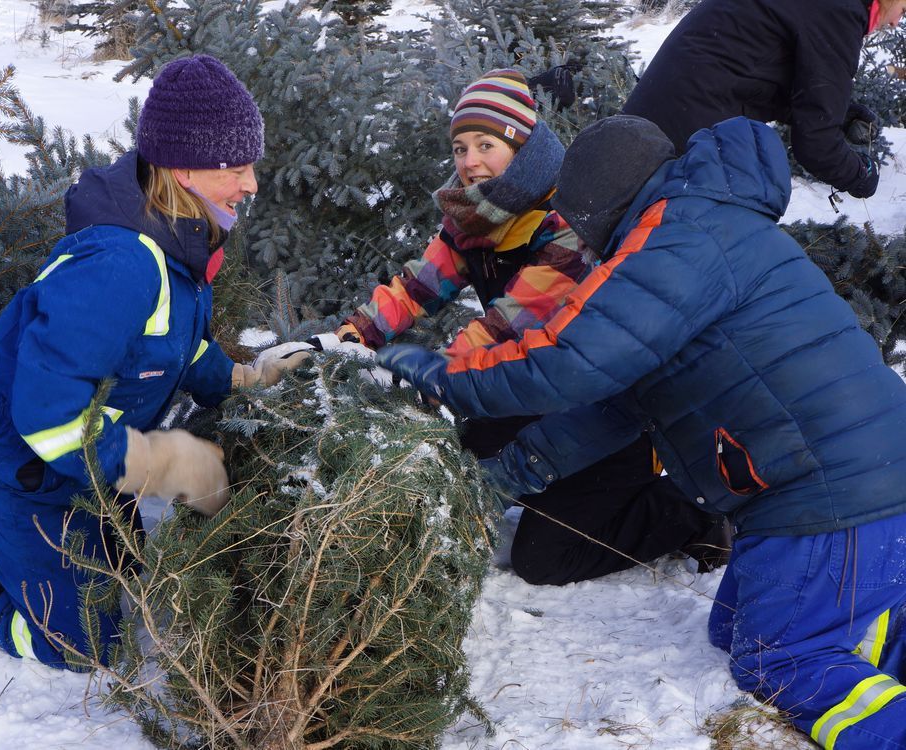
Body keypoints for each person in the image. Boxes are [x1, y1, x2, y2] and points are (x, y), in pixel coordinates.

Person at [376, 114, 906, 748]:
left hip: (832, 496)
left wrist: (435, 374)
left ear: (603, 204)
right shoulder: (696, 228)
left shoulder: (674, 243)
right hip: (860, 481)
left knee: (780, 660)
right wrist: (500, 478)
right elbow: (616, 407)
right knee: (733, 629)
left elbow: (566, 364)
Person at [258, 69, 728, 585]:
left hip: (600, 415)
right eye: (460, 148)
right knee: (452, 446)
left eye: (486, 145)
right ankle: (543, 488)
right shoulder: (476, 217)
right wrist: (345, 338)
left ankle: (691, 512)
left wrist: (415, 378)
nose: (469, 161)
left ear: (522, 149)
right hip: (535, 390)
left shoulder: (566, 223)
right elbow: (417, 288)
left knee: (543, 560)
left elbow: (506, 328)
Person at [0, 55, 308, 670]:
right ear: (183, 169)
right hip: (17, 462)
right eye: (235, 169)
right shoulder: (119, 267)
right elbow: (48, 414)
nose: (251, 184)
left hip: (80, 461)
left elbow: (178, 346)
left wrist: (241, 378)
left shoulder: (181, 238)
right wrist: (159, 461)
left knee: (127, 570)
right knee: (82, 644)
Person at [531, 0, 906, 199]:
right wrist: (861, 175)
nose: (894, 23)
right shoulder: (839, 10)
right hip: (681, 143)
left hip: (658, 117)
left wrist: (840, 114)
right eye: (903, 10)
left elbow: (753, 74)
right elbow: (816, 147)